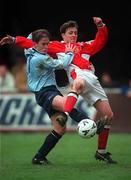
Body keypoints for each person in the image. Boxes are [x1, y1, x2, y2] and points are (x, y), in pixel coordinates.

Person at [0, 17, 115, 164]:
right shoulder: (50, 50)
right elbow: (33, 44)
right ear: (63, 35)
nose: (73, 35)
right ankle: (87, 122)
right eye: (70, 33)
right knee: (74, 89)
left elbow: (100, 41)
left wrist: (101, 26)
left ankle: (40, 157)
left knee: (64, 128)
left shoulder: (84, 46)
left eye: (75, 33)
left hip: (80, 83)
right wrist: (16, 40)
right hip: (57, 87)